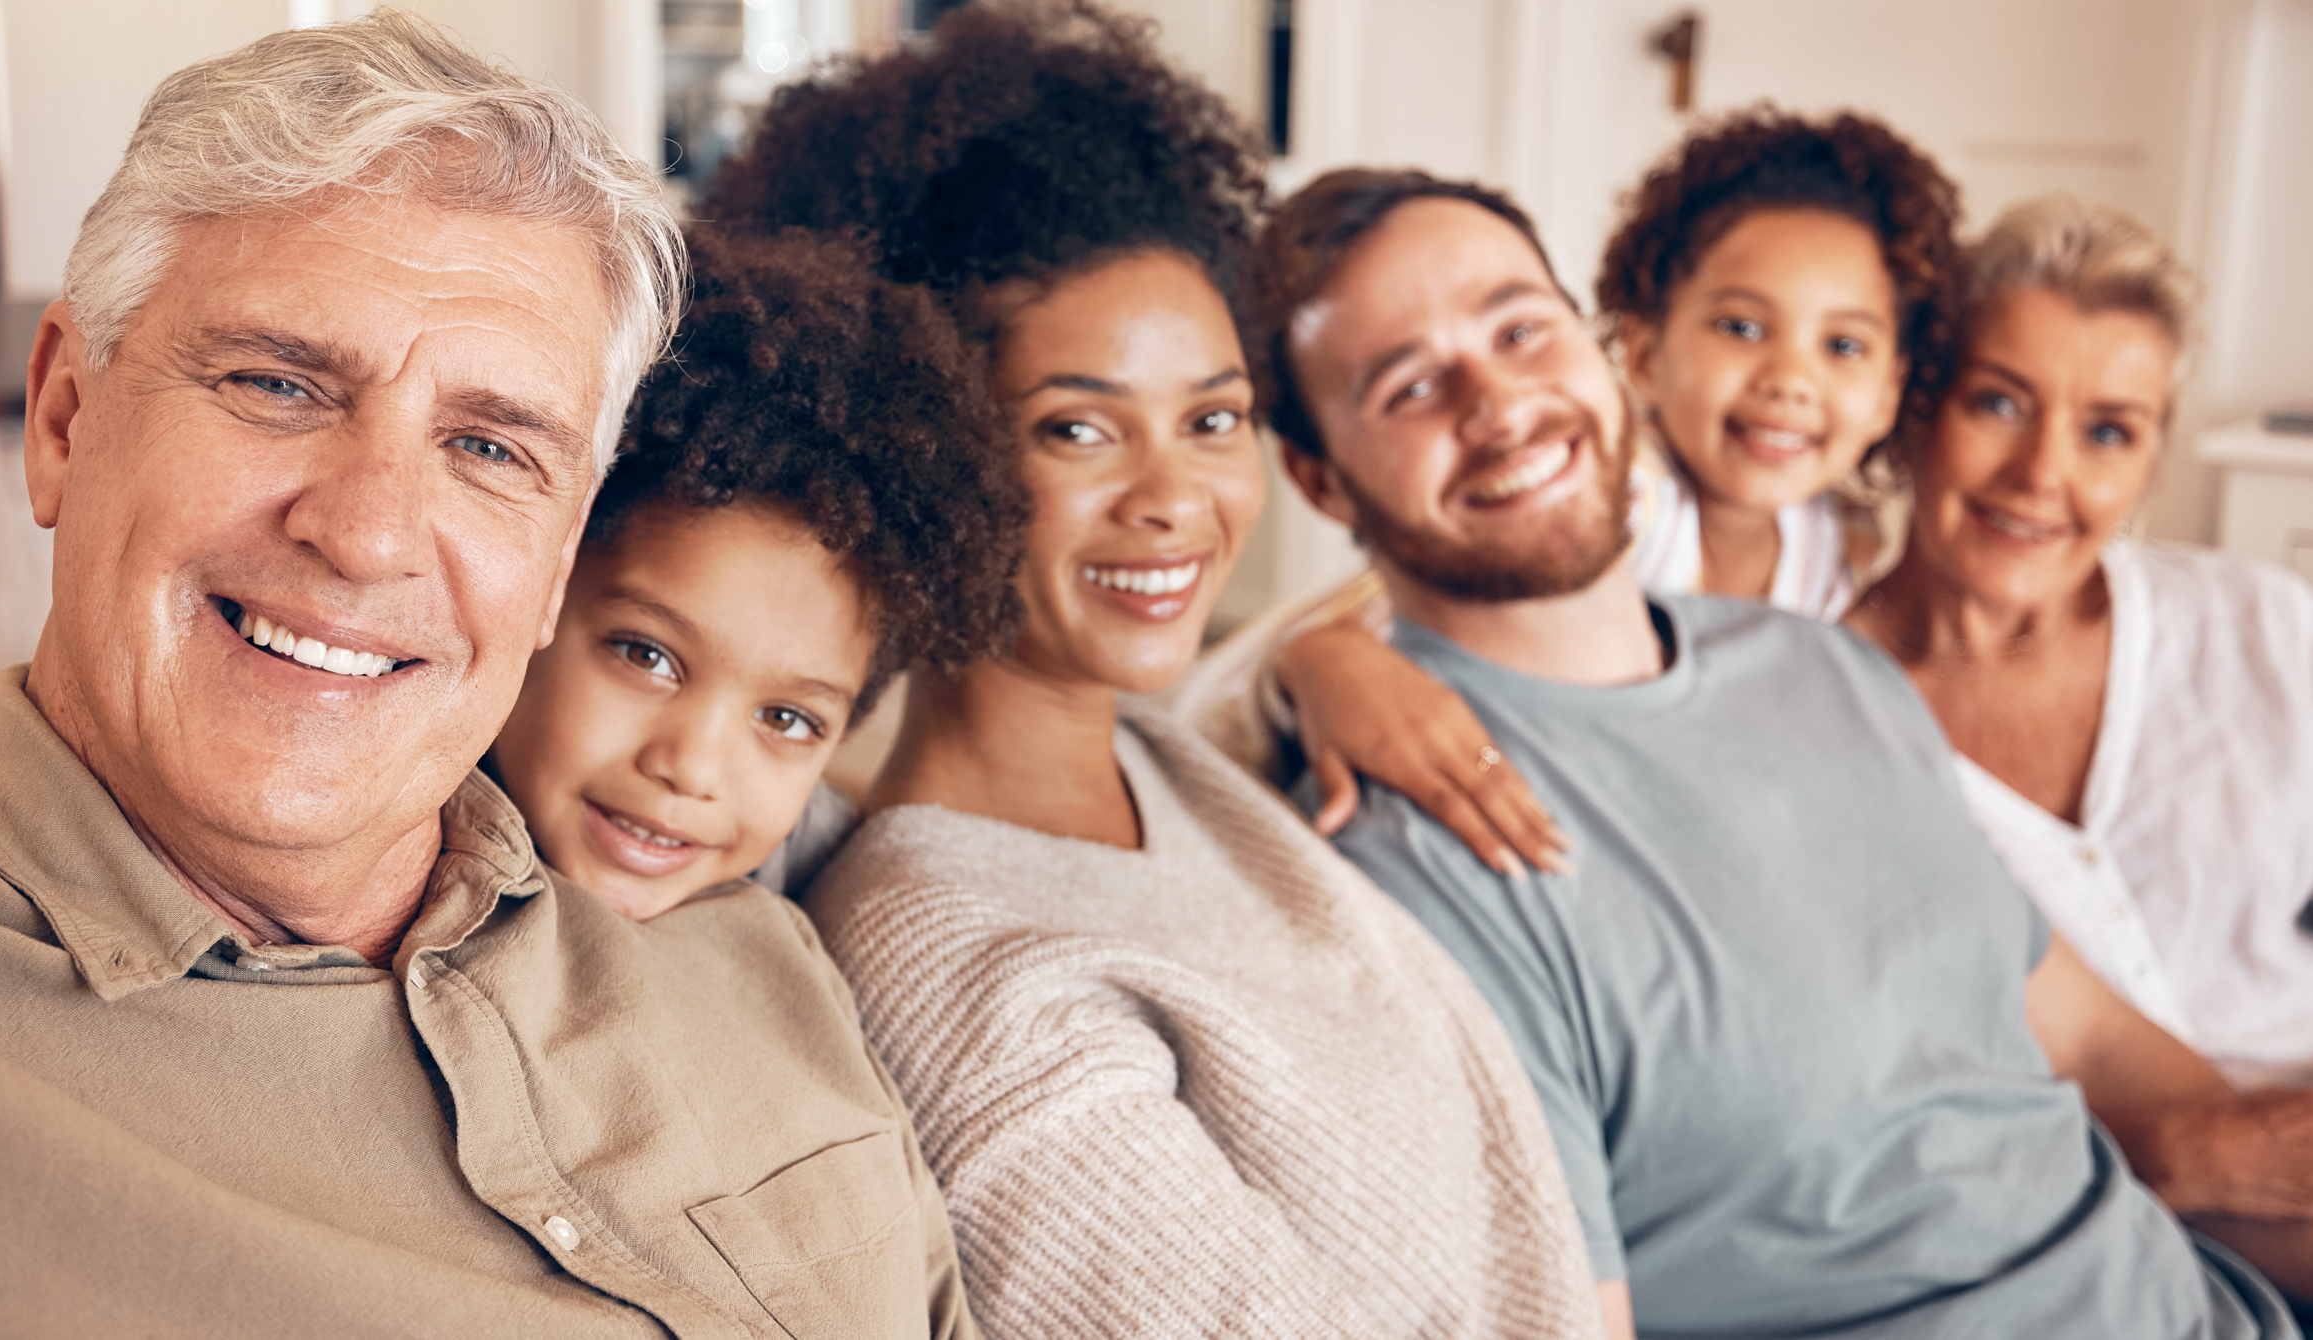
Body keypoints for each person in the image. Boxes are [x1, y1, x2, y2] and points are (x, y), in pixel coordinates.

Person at [0, 16, 975, 1337]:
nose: (369, 531)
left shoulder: (746, 943)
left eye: (492, 450)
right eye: (277, 384)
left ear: (561, 556)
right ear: (64, 419)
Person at [1255, 165, 2298, 1338]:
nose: (1498, 402)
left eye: (1520, 330)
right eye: (1409, 385)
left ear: (1597, 352)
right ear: (1315, 476)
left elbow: (2090, 1039)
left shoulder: (1827, 664)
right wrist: (1312, 658)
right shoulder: (1417, 849)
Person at [716, 4, 1601, 1336]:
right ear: (928, 448)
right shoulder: (945, 959)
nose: (1176, 498)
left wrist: (1315, 661)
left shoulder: (1166, 758)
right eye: (1079, 428)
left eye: (1214, 418)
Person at [1178, 109, 1964, 873]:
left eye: (1844, 345)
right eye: (1741, 329)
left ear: (1892, 388)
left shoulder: (1847, 545)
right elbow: (1241, 685)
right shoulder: (1620, 501)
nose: (1791, 382)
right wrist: (1317, 665)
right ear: (1643, 354)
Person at [1846, 194, 2313, 1300]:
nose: (2041, 474)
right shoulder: (1825, 712)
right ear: (1916, 410)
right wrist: (2188, 1154)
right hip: (2070, 1238)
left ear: (2151, 456)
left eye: (2108, 430)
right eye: (1999, 403)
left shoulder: (2261, 625)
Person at [487, 225, 1027, 917]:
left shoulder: (806, 919)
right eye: (646, 656)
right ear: (542, 583)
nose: (694, 768)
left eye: (788, 719)